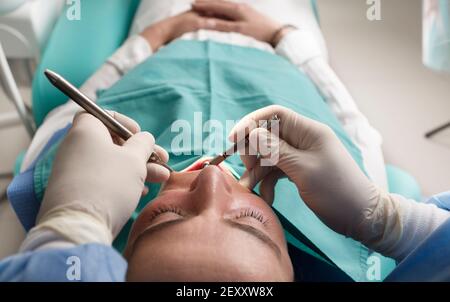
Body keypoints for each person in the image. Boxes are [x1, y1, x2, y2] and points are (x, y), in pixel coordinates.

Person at [2, 0, 449, 281]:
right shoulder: (345, 246)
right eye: (251, 223)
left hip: (170, 32)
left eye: (165, 218)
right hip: (271, 41)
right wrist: (383, 219)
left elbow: (73, 112)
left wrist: (150, 38)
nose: (212, 181)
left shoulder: (68, 207)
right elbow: (348, 120)